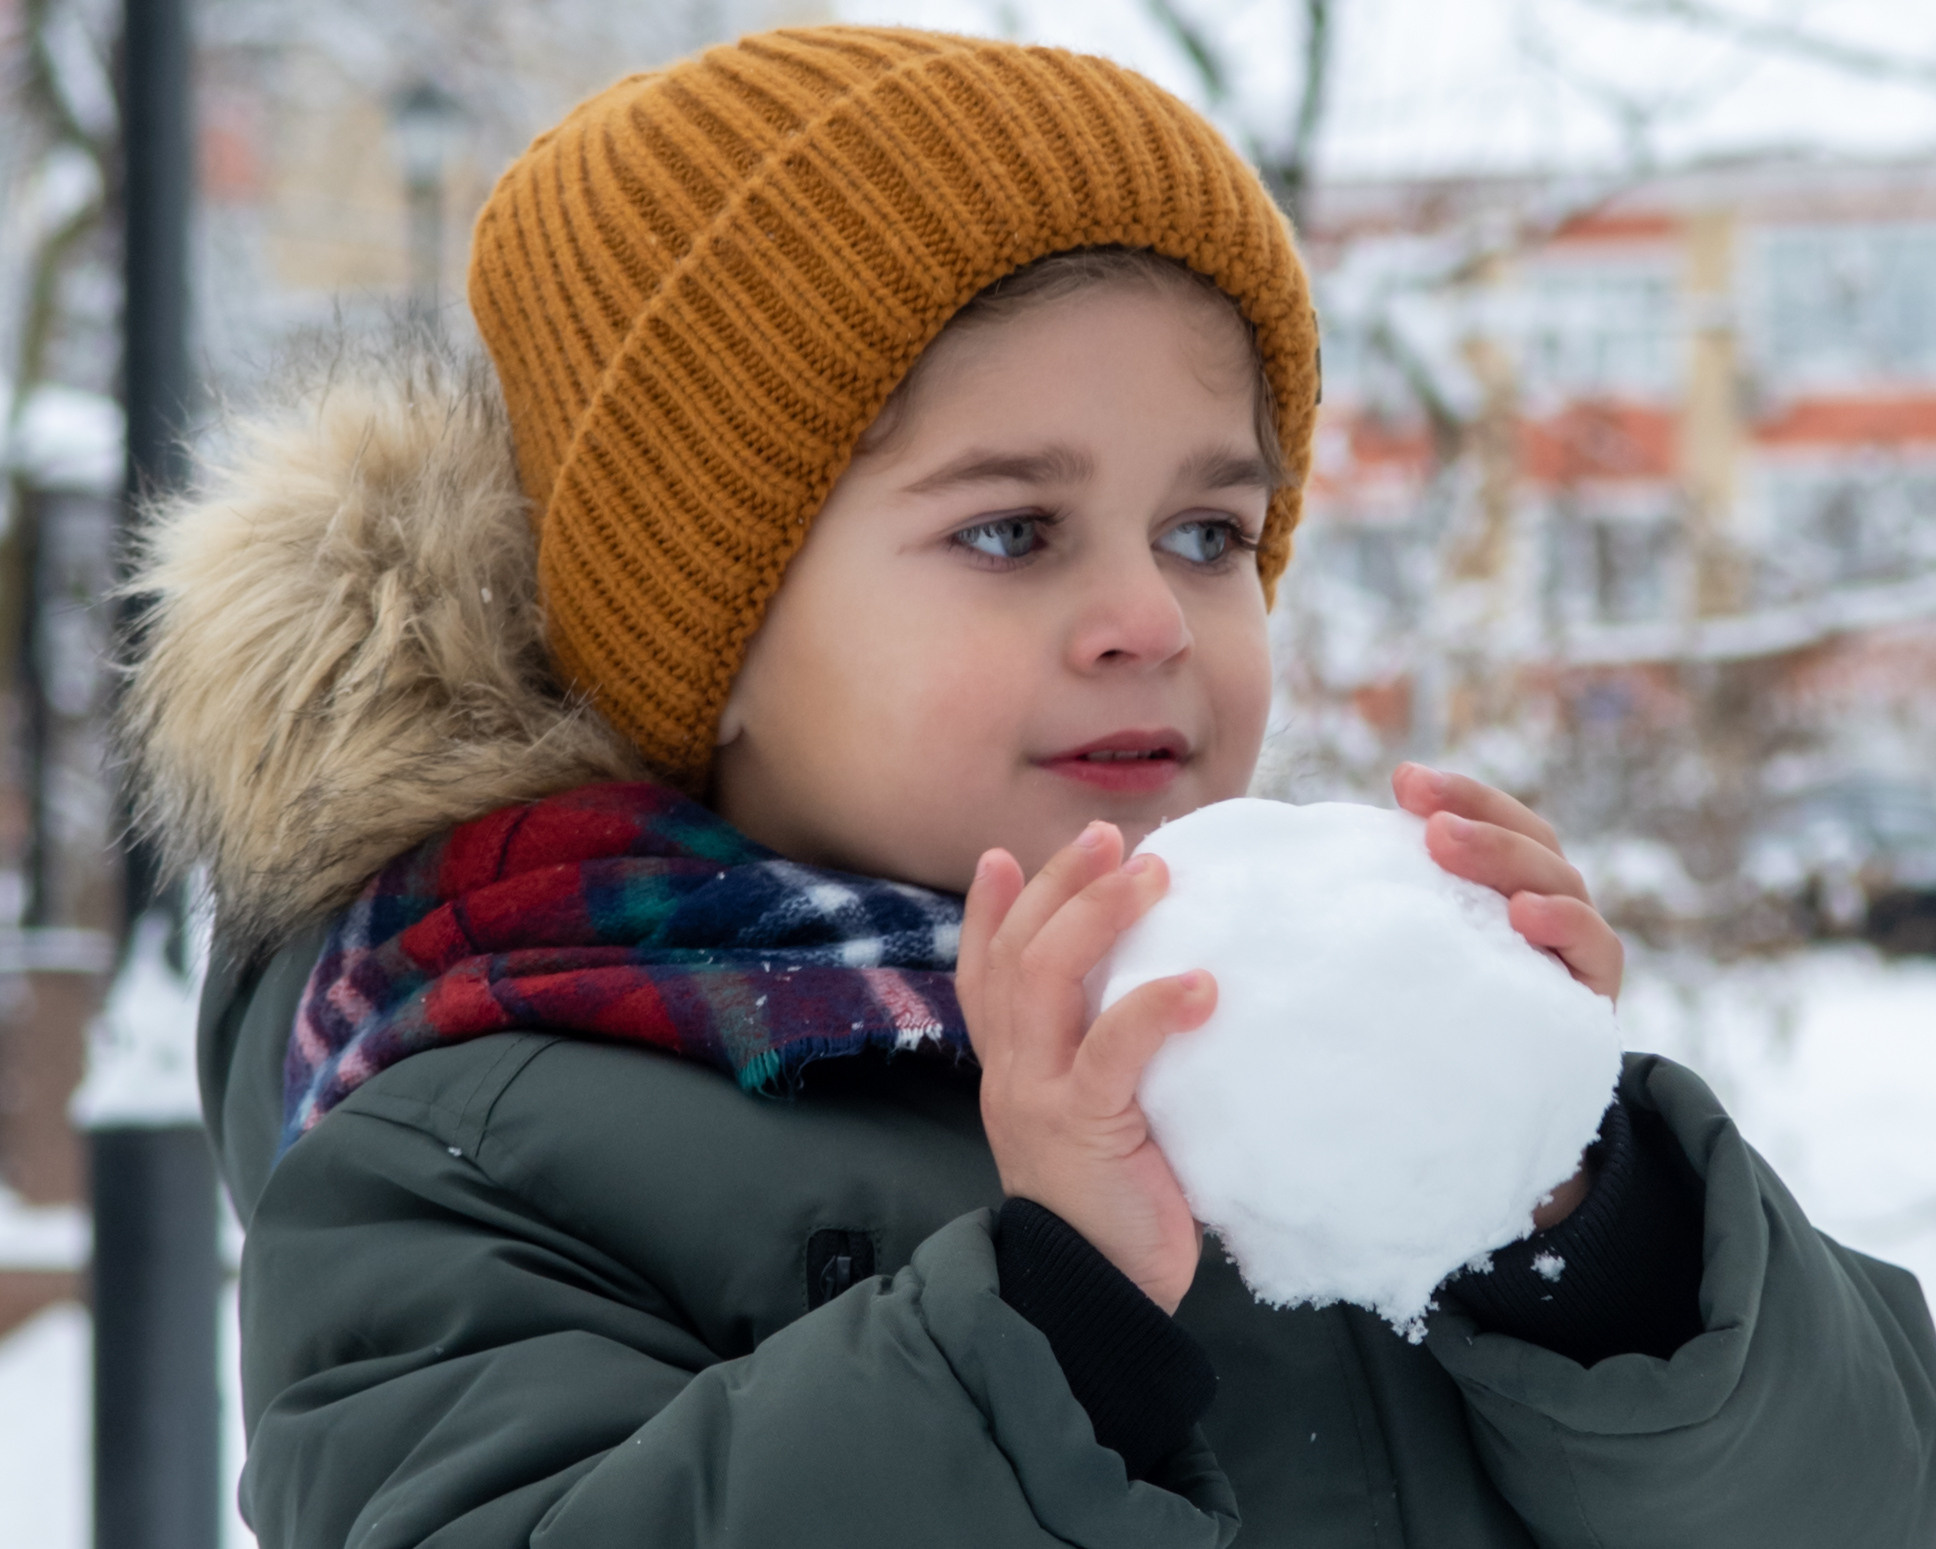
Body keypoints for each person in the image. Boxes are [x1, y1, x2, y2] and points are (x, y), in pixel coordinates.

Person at [124, 26, 1934, 1549]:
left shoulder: (1282, 1004)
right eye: (1012, 529)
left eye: (1211, 530)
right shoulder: (476, 1139)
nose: (1150, 612)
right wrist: (1053, 1314)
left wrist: (1591, 1209)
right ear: (707, 619)